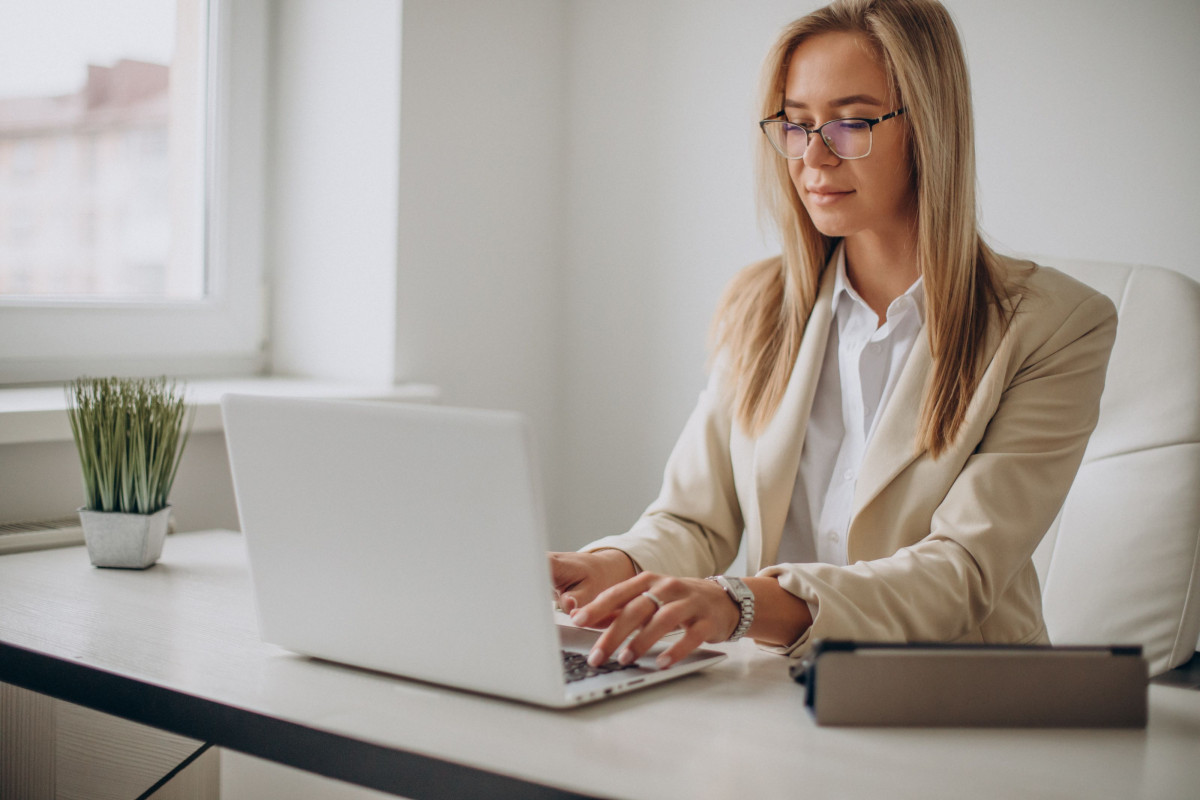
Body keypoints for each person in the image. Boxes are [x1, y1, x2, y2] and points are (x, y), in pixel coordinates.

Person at [550, 0, 1118, 673]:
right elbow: (694, 520)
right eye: (796, 124)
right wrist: (607, 566)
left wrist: (743, 602)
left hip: (961, 703)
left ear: (928, 128)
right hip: (781, 694)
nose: (813, 156)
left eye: (851, 123)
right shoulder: (762, 304)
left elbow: (959, 572)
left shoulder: (1055, 326)